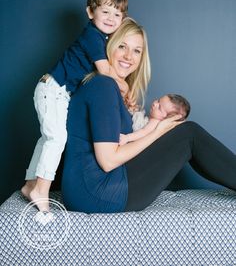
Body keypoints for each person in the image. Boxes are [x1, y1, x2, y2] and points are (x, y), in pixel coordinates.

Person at [61, 17, 236, 213]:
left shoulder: (107, 87)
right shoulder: (104, 86)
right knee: (189, 134)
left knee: (185, 137)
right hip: (96, 193)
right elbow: (108, 161)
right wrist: (157, 131)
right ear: (109, 47)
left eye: (137, 50)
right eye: (122, 46)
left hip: (90, 188)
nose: (129, 56)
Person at [21, 0, 129, 211]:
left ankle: (31, 184)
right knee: (56, 139)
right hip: (53, 89)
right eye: (105, 11)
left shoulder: (103, 39)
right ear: (90, 13)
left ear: (123, 18)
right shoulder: (92, 36)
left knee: (48, 138)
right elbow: (105, 71)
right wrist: (124, 86)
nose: (111, 18)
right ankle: (41, 189)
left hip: (58, 92)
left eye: (117, 14)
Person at [119, 94, 191, 145]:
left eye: (159, 107)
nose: (155, 104)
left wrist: (127, 138)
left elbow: (144, 132)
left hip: (134, 138)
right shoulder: (154, 118)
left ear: (166, 119)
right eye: (158, 101)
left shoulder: (155, 122)